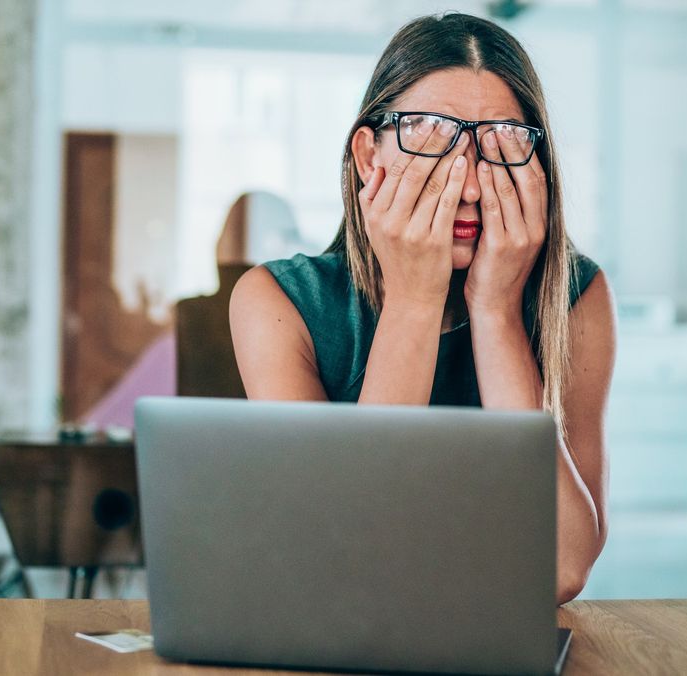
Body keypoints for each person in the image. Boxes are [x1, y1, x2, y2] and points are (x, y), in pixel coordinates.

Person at [229, 12, 615, 605]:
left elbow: (561, 568)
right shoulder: (278, 302)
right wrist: (414, 297)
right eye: (430, 136)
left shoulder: (580, 297)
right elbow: (345, 555)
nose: (466, 185)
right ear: (367, 155)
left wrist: (496, 311)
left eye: (502, 143)